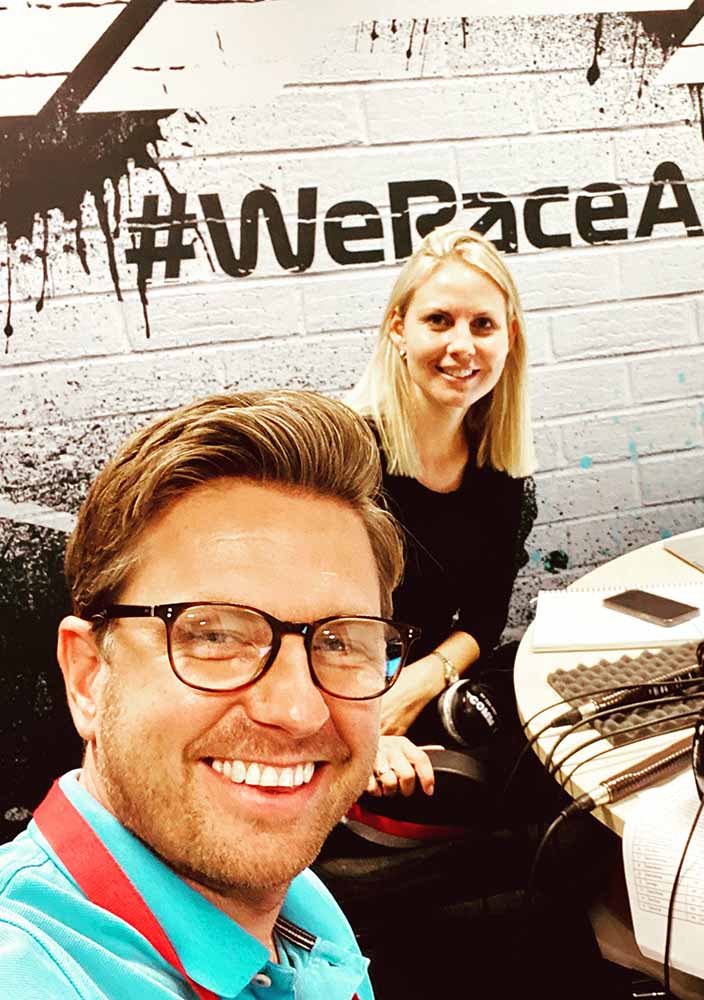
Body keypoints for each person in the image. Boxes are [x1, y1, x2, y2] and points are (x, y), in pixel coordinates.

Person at [0, 390, 415, 1000]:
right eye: (214, 636)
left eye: (339, 642)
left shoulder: (291, 896)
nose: (298, 711)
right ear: (89, 677)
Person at [347, 226, 537, 797]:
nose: (463, 346)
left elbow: (484, 619)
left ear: (509, 338)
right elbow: (298, 627)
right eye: (438, 320)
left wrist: (426, 679)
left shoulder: (499, 473)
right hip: (343, 702)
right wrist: (370, 720)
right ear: (398, 329)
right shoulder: (345, 460)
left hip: (426, 691)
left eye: (483, 325)